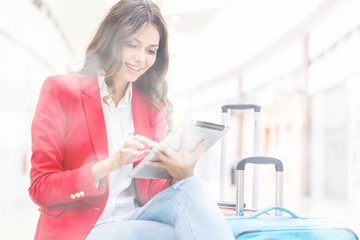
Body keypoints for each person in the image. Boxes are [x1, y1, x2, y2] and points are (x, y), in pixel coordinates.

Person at [29, 0, 234, 239]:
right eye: (132, 45)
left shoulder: (152, 107)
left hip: (135, 220)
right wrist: (110, 164)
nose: (140, 59)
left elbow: (151, 191)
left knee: (191, 187)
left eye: (150, 50)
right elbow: (40, 188)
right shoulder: (61, 91)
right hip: (84, 228)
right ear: (112, 39)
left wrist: (180, 171)